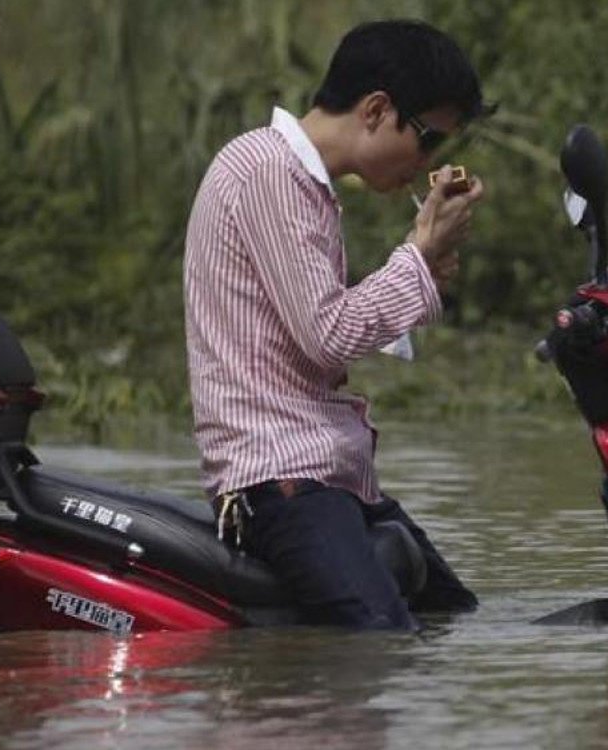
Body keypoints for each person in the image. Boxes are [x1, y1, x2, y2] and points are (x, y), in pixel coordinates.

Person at [183, 20, 487, 630]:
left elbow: (321, 328)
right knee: (382, 638)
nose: (427, 162)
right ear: (377, 109)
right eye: (427, 140)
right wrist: (417, 257)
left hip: (326, 472)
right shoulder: (267, 171)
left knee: (453, 617)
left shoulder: (304, 184)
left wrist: (418, 266)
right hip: (280, 477)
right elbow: (329, 335)